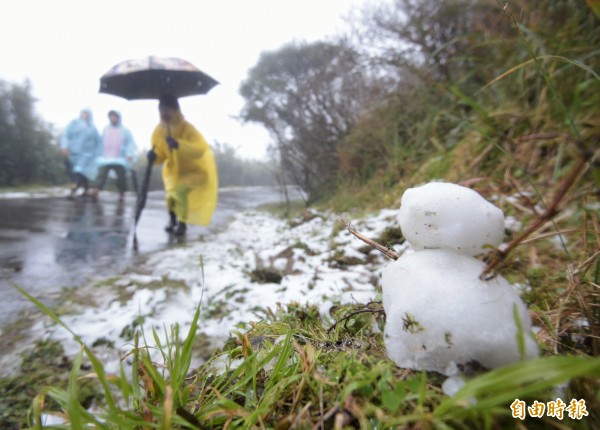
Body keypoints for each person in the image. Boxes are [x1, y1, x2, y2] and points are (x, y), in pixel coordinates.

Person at [146, 94, 218, 236]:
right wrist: (153, 157)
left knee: (180, 193)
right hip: (173, 172)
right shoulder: (159, 131)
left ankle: (182, 224)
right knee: (170, 197)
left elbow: (199, 149)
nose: (164, 113)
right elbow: (161, 154)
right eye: (161, 110)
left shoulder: (187, 128)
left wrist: (179, 145)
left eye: (168, 109)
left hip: (194, 171)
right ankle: (172, 221)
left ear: (176, 110)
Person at [90, 110, 136, 201]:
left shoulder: (125, 131)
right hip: (106, 158)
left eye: (115, 117)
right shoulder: (105, 129)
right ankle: (96, 190)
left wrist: (129, 154)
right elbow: (100, 143)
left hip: (119, 159)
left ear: (118, 118)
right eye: (111, 117)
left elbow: (130, 143)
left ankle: (122, 193)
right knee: (101, 173)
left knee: (121, 176)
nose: (113, 118)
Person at [60, 108, 102, 199]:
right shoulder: (74, 123)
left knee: (82, 172)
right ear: (81, 114)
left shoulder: (93, 128)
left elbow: (98, 142)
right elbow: (66, 135)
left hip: (88, 155)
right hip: (75, 153)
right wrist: (64, 146)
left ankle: (76, 190)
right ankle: (81, 189)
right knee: (77, 171)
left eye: (87, 114)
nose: (85, 115)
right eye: (84, 113)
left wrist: (98, 154)